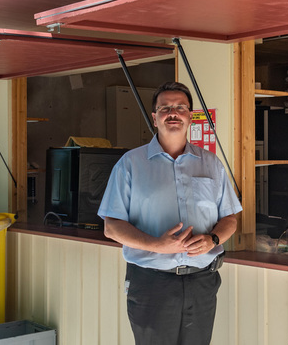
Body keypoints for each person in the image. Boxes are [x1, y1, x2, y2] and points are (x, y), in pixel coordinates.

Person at [98, 81, 242, 345]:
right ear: (155, 118)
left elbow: (230, 219)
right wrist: (157, 245)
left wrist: (213, 240)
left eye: (180, 107)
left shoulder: (211, 164)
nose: (172, 113)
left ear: (190, 117)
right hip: (152, 284)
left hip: (202, 281)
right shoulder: (130, 164)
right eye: (165, 108)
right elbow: (112, 226)